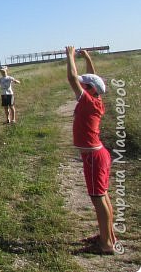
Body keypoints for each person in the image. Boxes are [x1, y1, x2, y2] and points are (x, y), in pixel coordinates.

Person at [65, 46, 116, 255]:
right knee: (103, 197)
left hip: (94, 157)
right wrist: (87, 58)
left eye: (85, 85)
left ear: (91, 90)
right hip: (97, 155)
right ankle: (107, 236)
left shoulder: (88, 100)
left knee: (98, 198)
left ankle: (106, 244)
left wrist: (70, 55)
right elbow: (93, 79)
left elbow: (72, 78)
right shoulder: (96, 99)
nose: (82, 86)